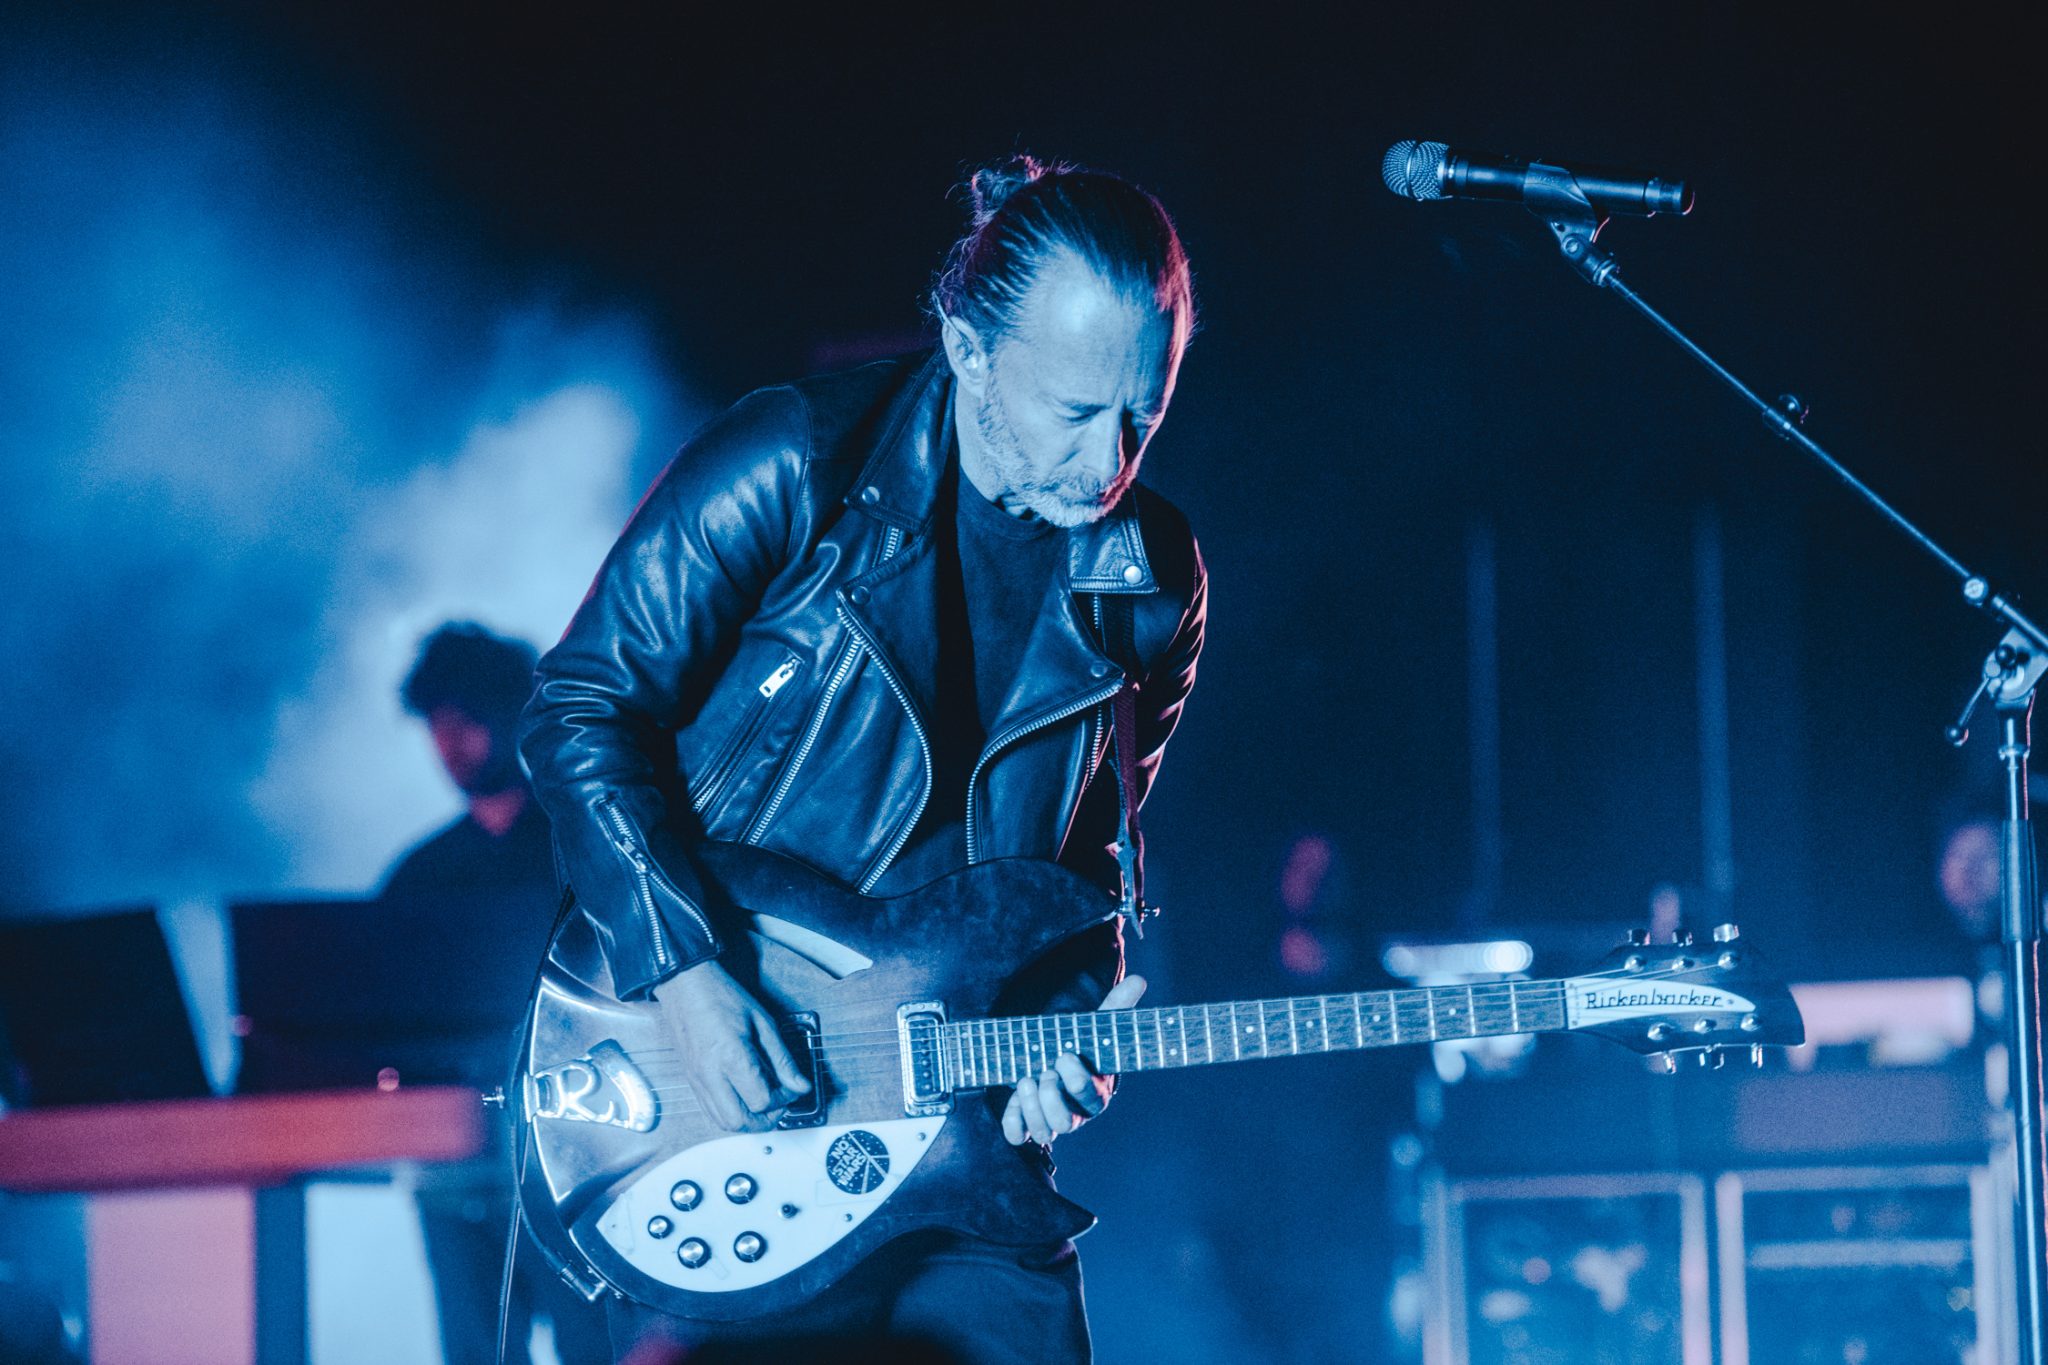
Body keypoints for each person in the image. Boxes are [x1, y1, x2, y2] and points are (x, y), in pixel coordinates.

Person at [520, 156, 1206, 1363]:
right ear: (967, 348)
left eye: (1139, 415)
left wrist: (1062, 1029)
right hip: (735, 1087)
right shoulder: (795, 461)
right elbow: (581, 707)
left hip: (967, 1150)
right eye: (1072, 410)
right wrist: (683, 971)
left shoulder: (1149, 581)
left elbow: (1089, 867)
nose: (1108, 462)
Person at [381, 622, 608, 1365]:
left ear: (511, 713)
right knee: (476, 1351)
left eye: (465, 719)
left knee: (593, 1344)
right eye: (437, 725)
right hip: (456, 1159)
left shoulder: (579, 844)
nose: (449, 743)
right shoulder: (418, 876)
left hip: (578, 1149)